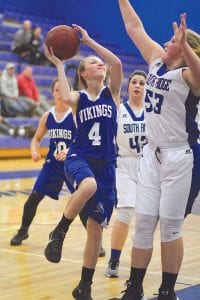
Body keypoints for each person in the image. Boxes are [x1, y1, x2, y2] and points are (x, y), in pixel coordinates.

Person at [117, 1, 200, 300]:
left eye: (172, 41)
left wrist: (186, 47)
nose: (165, 42)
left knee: (169, 228)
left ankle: (167, 290)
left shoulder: (190, 77)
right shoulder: (155, 59)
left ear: (183, 48)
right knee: (143, 224)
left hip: (180, 157)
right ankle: (135, 288)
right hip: (151, 155)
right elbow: (134, 28)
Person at [43, 24, 122, 300]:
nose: (99, 63)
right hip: (80, 157)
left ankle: (83, 287)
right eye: (91, 62)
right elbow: (64, 96)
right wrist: (59, 65)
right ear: (84, 74)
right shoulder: (79, 98)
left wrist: (89, 41)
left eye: (99, 62)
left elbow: (116, 62)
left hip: (108, 167)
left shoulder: (112, 93)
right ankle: (59, 231)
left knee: (96, 229)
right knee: (86, 186)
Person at [9, 77, 106, 257]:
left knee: (82, 203)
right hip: (52, 166)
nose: (61, 94)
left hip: (72, 165)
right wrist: (34, 151)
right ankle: (23, 230)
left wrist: (69, 150)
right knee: (33, 198)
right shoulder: (48, 116)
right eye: (57, 91)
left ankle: (96, 242)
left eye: (63, 90)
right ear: (53, 93)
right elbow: (36, 139)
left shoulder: (76, 114)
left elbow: (85, 140)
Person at [105, 70, 147, 278]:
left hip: (149, 167)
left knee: (146, 218)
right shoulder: (119, 109)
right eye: (134, 82)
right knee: (125, 213)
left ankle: (138, 267)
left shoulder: (153, 112)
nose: (138, 86)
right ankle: (114, 259)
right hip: (124, 164)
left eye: (142, 82)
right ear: (128, 86)